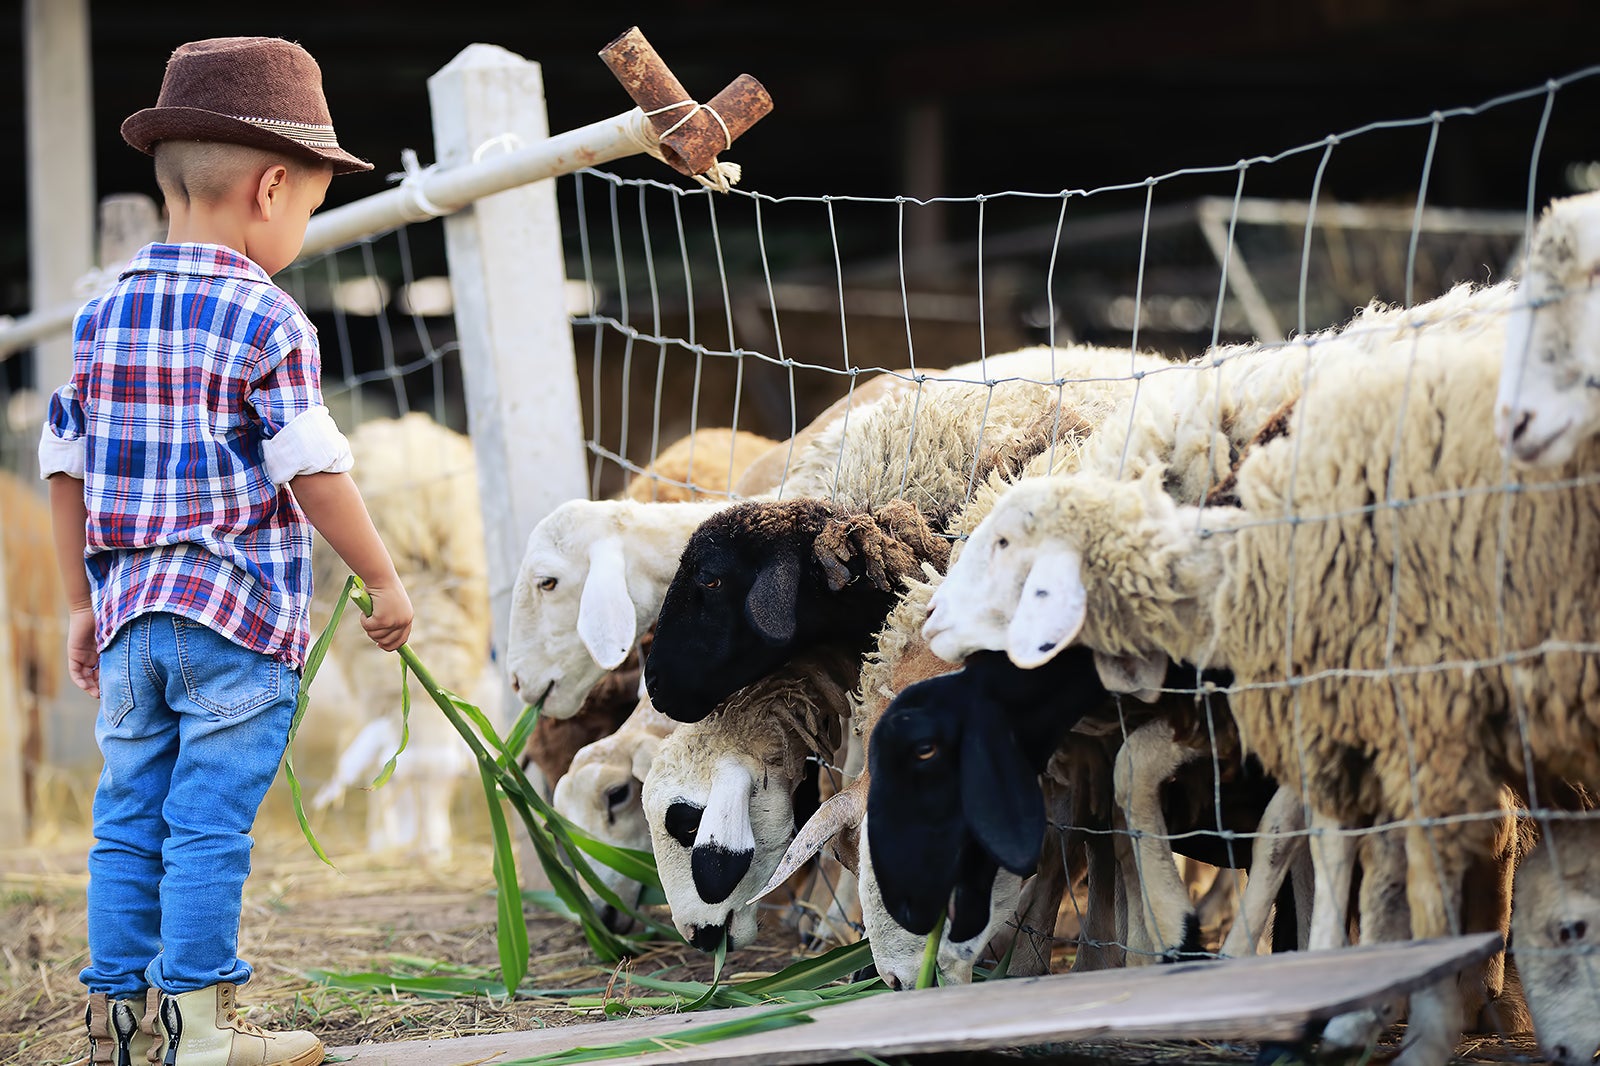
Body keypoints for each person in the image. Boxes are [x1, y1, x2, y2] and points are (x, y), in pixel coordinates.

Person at [41, 37, 413, 1066]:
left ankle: (119, 1026)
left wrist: (81, 601)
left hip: (128, 625)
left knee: (125, 820)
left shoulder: (97, 313)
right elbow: (312, 467)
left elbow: (63, 466)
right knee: (206, 825)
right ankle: (198, 1032)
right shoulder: (268, 316)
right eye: (310, 203)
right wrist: (381, 578)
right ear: (272, 187)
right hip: (234, 623)